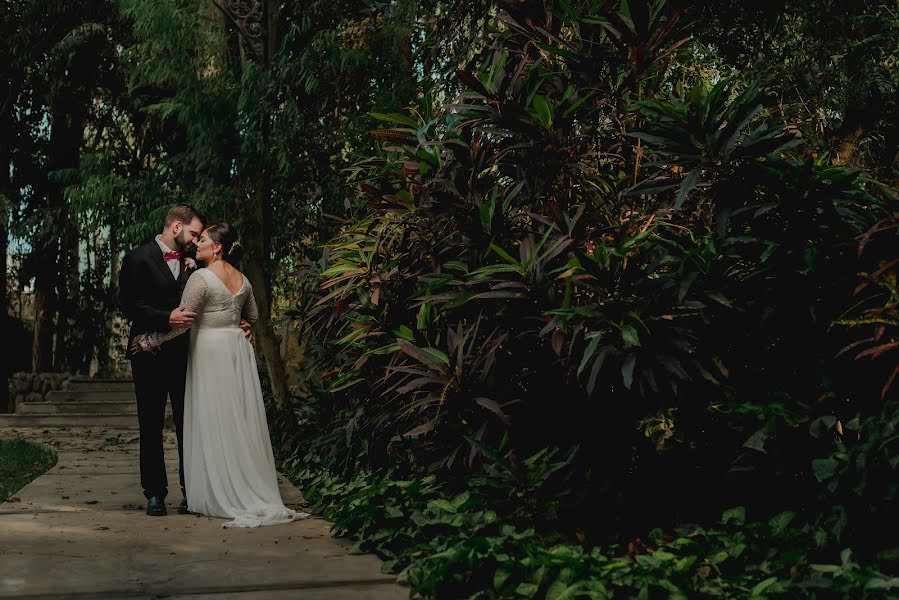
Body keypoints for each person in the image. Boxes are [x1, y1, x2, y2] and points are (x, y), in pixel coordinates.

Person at [131, 222, 307, 528]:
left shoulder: (200, 278)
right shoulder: (244, 279)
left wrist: (150, 341)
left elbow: (183, 322)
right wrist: (241, 324)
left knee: (210, 419)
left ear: (217, 248)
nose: (197, 244)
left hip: (209, 352)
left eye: (202, 240)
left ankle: (216, 490)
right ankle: (237, 483)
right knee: (234, 420)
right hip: (234, 351)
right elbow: (251, 315)